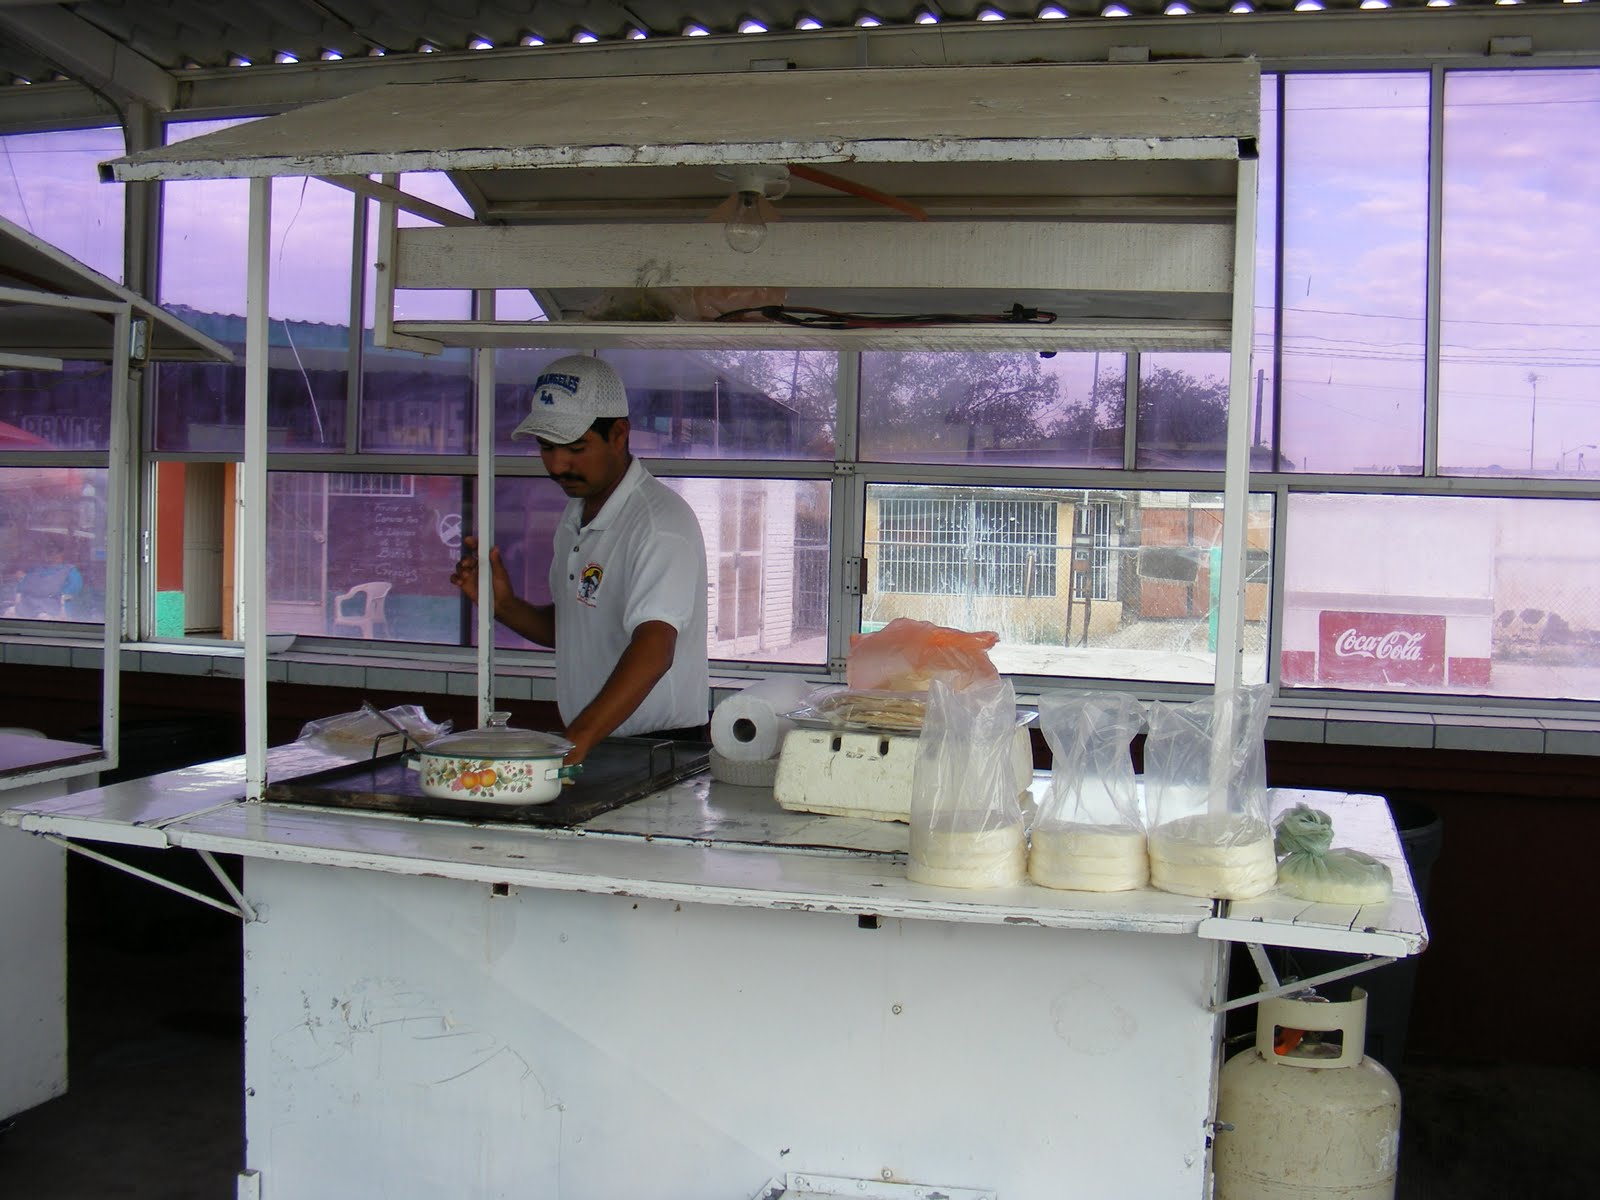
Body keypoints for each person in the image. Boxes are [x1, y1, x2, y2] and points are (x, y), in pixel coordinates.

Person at [449, 354, 709, 766]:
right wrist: (503, 605)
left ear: (619, 434)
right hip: (594, 741)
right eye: (546, 447)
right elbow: (573, 629)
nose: (557, 465)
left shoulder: (659, 523)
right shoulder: (577, 514)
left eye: (575, 448)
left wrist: (571, 743)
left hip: (657, 750)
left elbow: (656, 647)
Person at [11, 535, 84, 619]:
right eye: (49, 552)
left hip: (55, 606)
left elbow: (75, 586)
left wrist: (60, 595)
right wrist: (21, 579)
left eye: (56, 552)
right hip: (29, 606)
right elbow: (23, 585)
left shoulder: (69, 570)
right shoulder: (37, 569)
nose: (53, 555)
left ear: (62, 554)